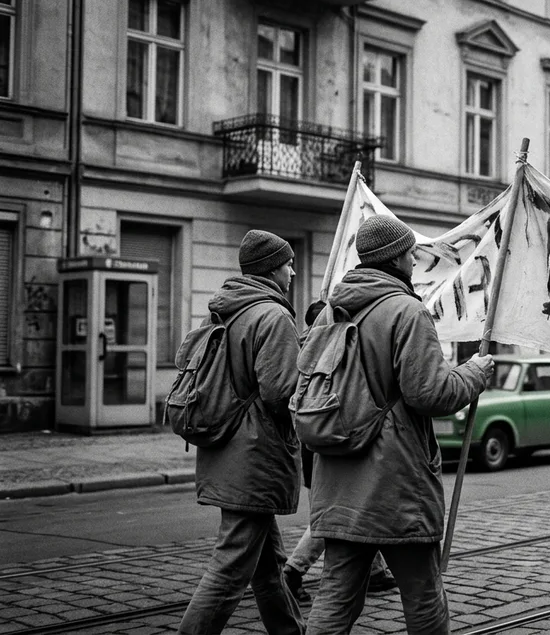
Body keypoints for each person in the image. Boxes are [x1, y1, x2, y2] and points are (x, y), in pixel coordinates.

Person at [306, 215, 494, 634]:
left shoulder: (330, 311)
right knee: (423, 592)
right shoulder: (406, 311)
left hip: (337, 476)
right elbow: (430, 394)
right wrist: (475, 373)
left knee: (336, 594)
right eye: (410, 252)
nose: (414, 259)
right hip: (395, 480)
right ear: (394, 258)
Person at [179, 230, 304, 634]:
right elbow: (279, 392)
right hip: (256, 455)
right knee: (231, 566)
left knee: (268, 568)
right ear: (271, 269)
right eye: (288, 263)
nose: (293, 270)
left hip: (226, 448)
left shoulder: (223, 310)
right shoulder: (273, 315)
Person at [283, 300, 395, 604]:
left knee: (355, 508)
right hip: (332, 439)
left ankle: (375, 572)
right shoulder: (334, 345)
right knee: (333, 516)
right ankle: (293, 570)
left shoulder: (307, 346)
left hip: (311, 440)